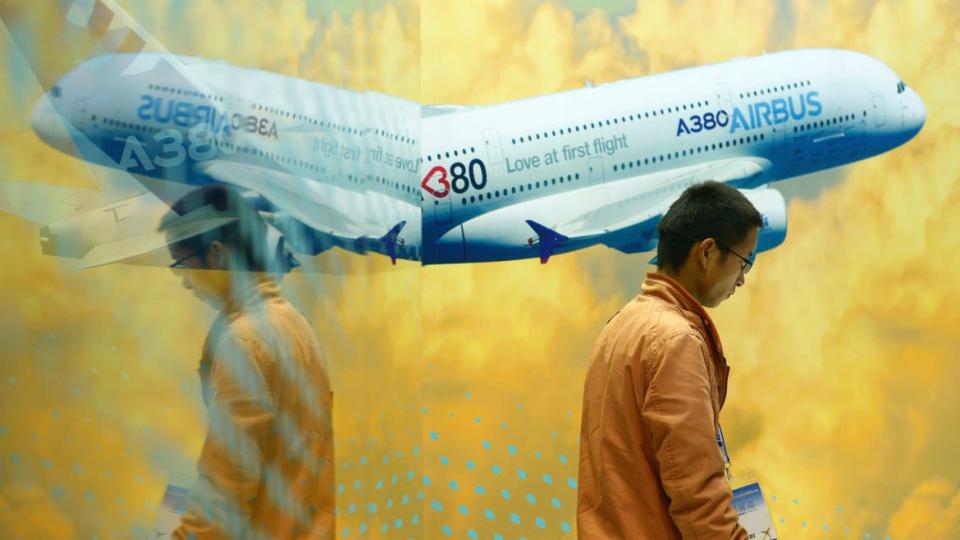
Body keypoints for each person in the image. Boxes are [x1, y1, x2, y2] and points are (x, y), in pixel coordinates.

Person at [577, 181, 763, 539]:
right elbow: (698, 497)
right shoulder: (675, 341)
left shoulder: (620, 325)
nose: (741, 280)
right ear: (707, 252)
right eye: (744, 261)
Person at [159, 185, 334, 539]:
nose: (184, 283)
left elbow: (226, 488)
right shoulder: (295, 324)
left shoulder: (244, 341)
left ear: (216, 255)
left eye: (181, 265)